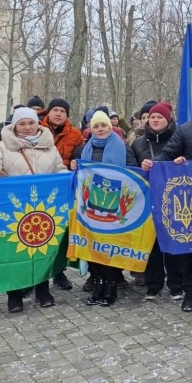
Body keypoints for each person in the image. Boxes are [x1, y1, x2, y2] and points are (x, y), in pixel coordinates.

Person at [142, 87, 192, 312]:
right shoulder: (185, 130)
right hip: (191, 198)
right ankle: (190, 291)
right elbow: (167, 154)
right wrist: (153, 163)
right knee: (190, 247)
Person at [0, 107, 67, 313]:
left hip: (43, 208)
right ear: (15, 126)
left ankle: (42, 289)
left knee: (43, 248)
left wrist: (70, 178)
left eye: (31, 123)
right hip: (14, 209)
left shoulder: (49, 147)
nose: (27, 127)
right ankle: (14, 294)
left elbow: (59, 170)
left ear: (37, 124)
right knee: (14, 251)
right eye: (22, 123)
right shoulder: (1, 148)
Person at [70, 110, 137, 306]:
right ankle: (97, 284)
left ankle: (110, 286)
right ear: (91, 129)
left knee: (109, 247)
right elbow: (78, 174)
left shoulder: (123, 147)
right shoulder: (85, 149)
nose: (100, 129)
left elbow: (133, 173)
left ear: (110, 127)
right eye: (96, 126)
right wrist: (74, 166)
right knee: (93, 245)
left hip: (113, 207)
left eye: (104, 125)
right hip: (91, 207)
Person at [132, 101, 181, 298]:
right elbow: (131, 169)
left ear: (168, 120)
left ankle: (176, 284)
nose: (155, 120)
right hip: (147, 199)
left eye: (160, 117)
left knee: (173, 242)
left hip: (173, 199)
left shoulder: (177, 140)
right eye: (152, 117)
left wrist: (179, 163)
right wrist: (140, 167)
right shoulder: (138, 143)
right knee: (151, 244)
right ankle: (154, 284)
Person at [40, 97, 84, 291]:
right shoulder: (36, 130)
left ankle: (58, 272)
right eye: (55, 110)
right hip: (39, 189)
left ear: (67, 115)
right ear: (48, 112)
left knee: (59, 231)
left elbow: (81, 156)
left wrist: (76, 163)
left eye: (62, 111)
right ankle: (36, 275)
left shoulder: (75, 134)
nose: (58, 114)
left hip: (63, 189)